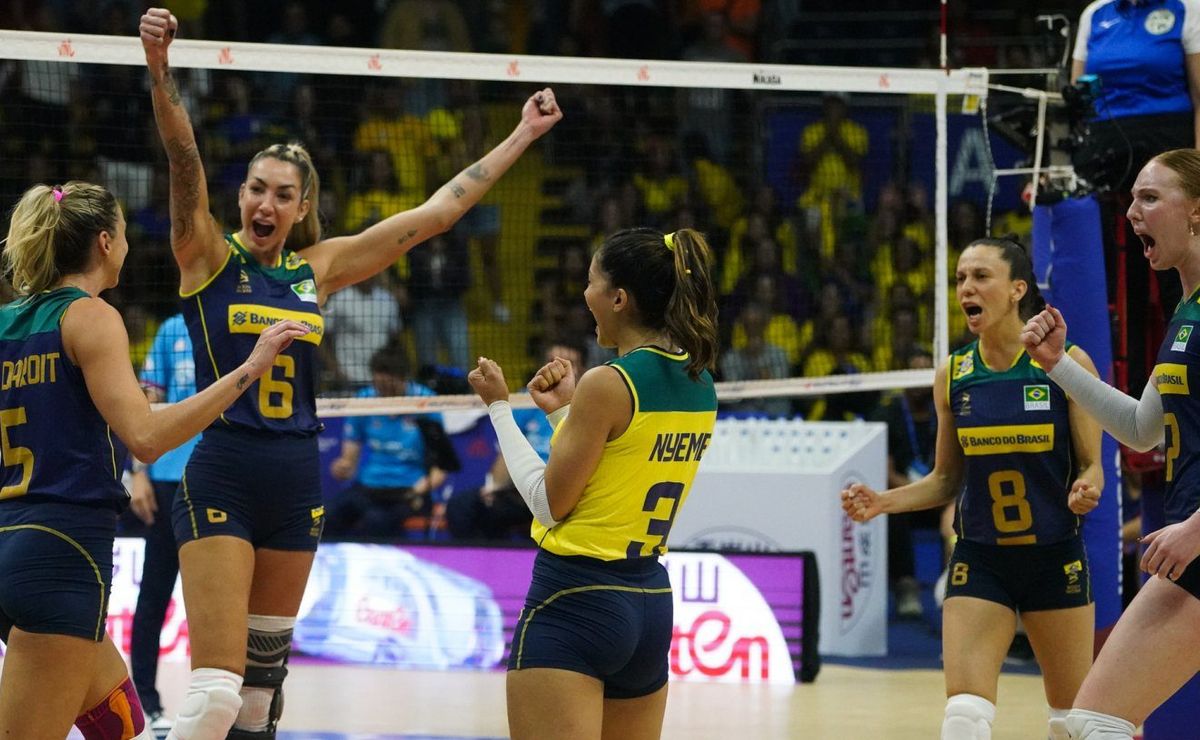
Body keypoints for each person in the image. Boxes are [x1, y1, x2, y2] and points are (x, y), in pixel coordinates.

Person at [139, 8, 561, 738]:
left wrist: (522, 133)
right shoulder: (206, 255)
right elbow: (183, 158)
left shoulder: (317, 270)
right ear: (240, 194)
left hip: (297, 475)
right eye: (256, 189)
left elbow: (436, 214)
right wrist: (159, 69)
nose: (265, 203)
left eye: (281, 194)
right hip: (223, 469)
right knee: (212, 695)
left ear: (303, 208)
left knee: (260, 702)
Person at [0, 181, 304, 739]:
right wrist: (247, 371)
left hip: (10, 541)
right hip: (62, 555)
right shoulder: (90, 316)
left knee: (120, 725)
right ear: (105, 243)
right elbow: (144, 437)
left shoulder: (7, 322)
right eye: (122, 236)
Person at [841, 236, 1105, 740]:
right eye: (961, 277)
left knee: (1074, 723)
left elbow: (1093, 465)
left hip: (1055, 557)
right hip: (981, 560)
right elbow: (946, 479)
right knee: (964, 717)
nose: (967, 287)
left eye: (981, 276)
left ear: (1016, 290)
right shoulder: (954, 373)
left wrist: (1086, 488)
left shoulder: (1067, 365)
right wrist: (882, 503)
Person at [466, 227, 719, 740]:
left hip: (576, 597)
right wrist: (564, 413)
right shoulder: (700, 383)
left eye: (591, 283)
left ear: (620, 299)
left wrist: (498, 407)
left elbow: (548, 503)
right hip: (648, 600)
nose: (586, 296)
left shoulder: (608, 382)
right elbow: (612, 469)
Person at [1020, 149, 1200, 739]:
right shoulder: (1186, 312)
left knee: (1094, 721)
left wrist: (1197, 528)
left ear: (1196, 212)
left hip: (1196, 541)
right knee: (1087, 723)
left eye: (1149, 198)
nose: (1131, 213)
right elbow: (1144, 427)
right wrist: (1059, 367)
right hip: (1189, 548)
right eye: (1130, 200)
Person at [128, 313, 197, 737]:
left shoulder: (236, 317)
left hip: (222, 479)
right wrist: (138, 471)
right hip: (170, 480)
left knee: (221, 602)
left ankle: (220, 709)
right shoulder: (172, 328)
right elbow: (146, 403)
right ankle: (147, 705)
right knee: (154, 595)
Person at [446, 340, 585, 541]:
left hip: (564, 490)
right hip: (524, 487)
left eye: (565, 364)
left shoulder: (589, 402)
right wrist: (492, 487)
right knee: (463, 505)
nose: (555, 369)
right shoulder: (527, 400)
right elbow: (508, 449)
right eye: (550, 361)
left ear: (581, 369)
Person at [327, 349, 459, 539]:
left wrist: (419, 489)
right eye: (380, 386)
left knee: (376, 521)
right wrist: (343, 467)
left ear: (404, 378)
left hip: (408, 491)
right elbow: (349, 459)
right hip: (369, 488)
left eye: (390, 386)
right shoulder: (364, 399)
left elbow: (442, 464)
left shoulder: (425, 401)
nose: (385, 393)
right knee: (328, 515)